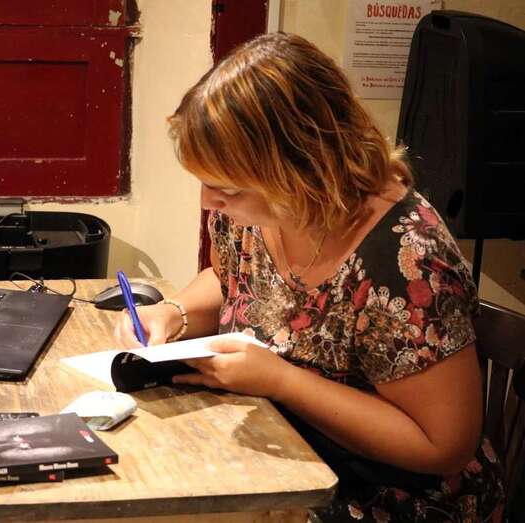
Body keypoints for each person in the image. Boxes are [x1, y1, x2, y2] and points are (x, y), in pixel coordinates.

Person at [114, 32, 505, 522]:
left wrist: (281, 381)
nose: (208, 203)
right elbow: (231, 277)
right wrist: (172, 312)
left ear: (301, 168)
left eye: (227, 189)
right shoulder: (255, 214)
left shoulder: (408, 258)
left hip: (387, 494)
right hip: (288, 448)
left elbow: (440, 446)